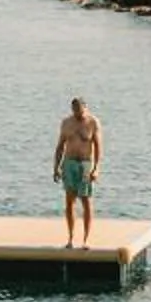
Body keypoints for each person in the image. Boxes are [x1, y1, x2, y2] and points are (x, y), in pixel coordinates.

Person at [53, 97, 103, 246]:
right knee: (69, 201)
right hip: (69, 164)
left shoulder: (93, 123)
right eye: (75, 111)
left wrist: (96, 168)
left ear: (85, 108)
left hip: (85, 164)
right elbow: (60, 146)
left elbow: (99, 147)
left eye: (80, 111)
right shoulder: (66, 123)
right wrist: (56, 167)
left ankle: (86, 239)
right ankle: (70, 238)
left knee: (86, 201)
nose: (77, 114)